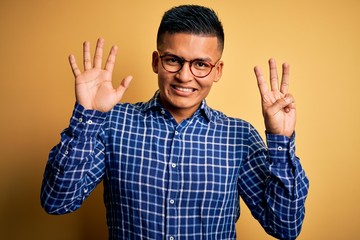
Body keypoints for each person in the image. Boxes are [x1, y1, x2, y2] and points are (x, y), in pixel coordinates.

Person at [41, 4, 309, 240]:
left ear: (217, 71)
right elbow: (57, 201)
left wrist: (280, 140)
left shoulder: (239, 137)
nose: (184, 76)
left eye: (201, 64)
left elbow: (284, 227)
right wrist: (87, 116)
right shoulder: (112, 124)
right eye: (173, 60)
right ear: (156, 61)